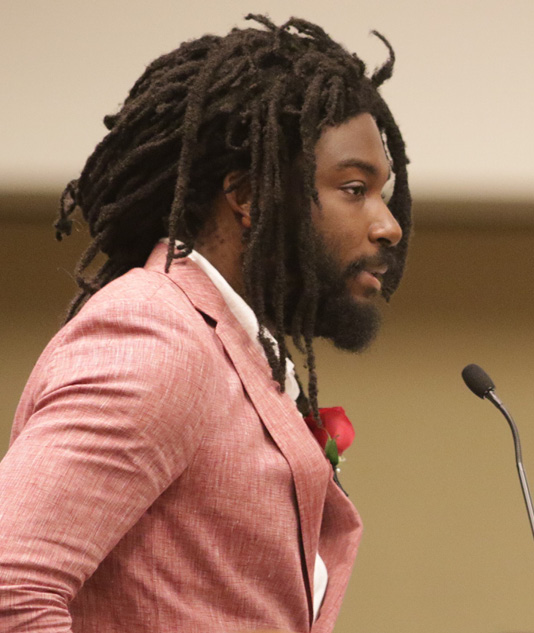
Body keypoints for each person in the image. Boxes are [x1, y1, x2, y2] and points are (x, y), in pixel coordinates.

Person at [0, 14, 411, 633]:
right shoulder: (156, 335)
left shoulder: (228, 341)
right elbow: (11, 587)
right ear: (247, 195)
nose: (389, 225)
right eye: (354, 189)